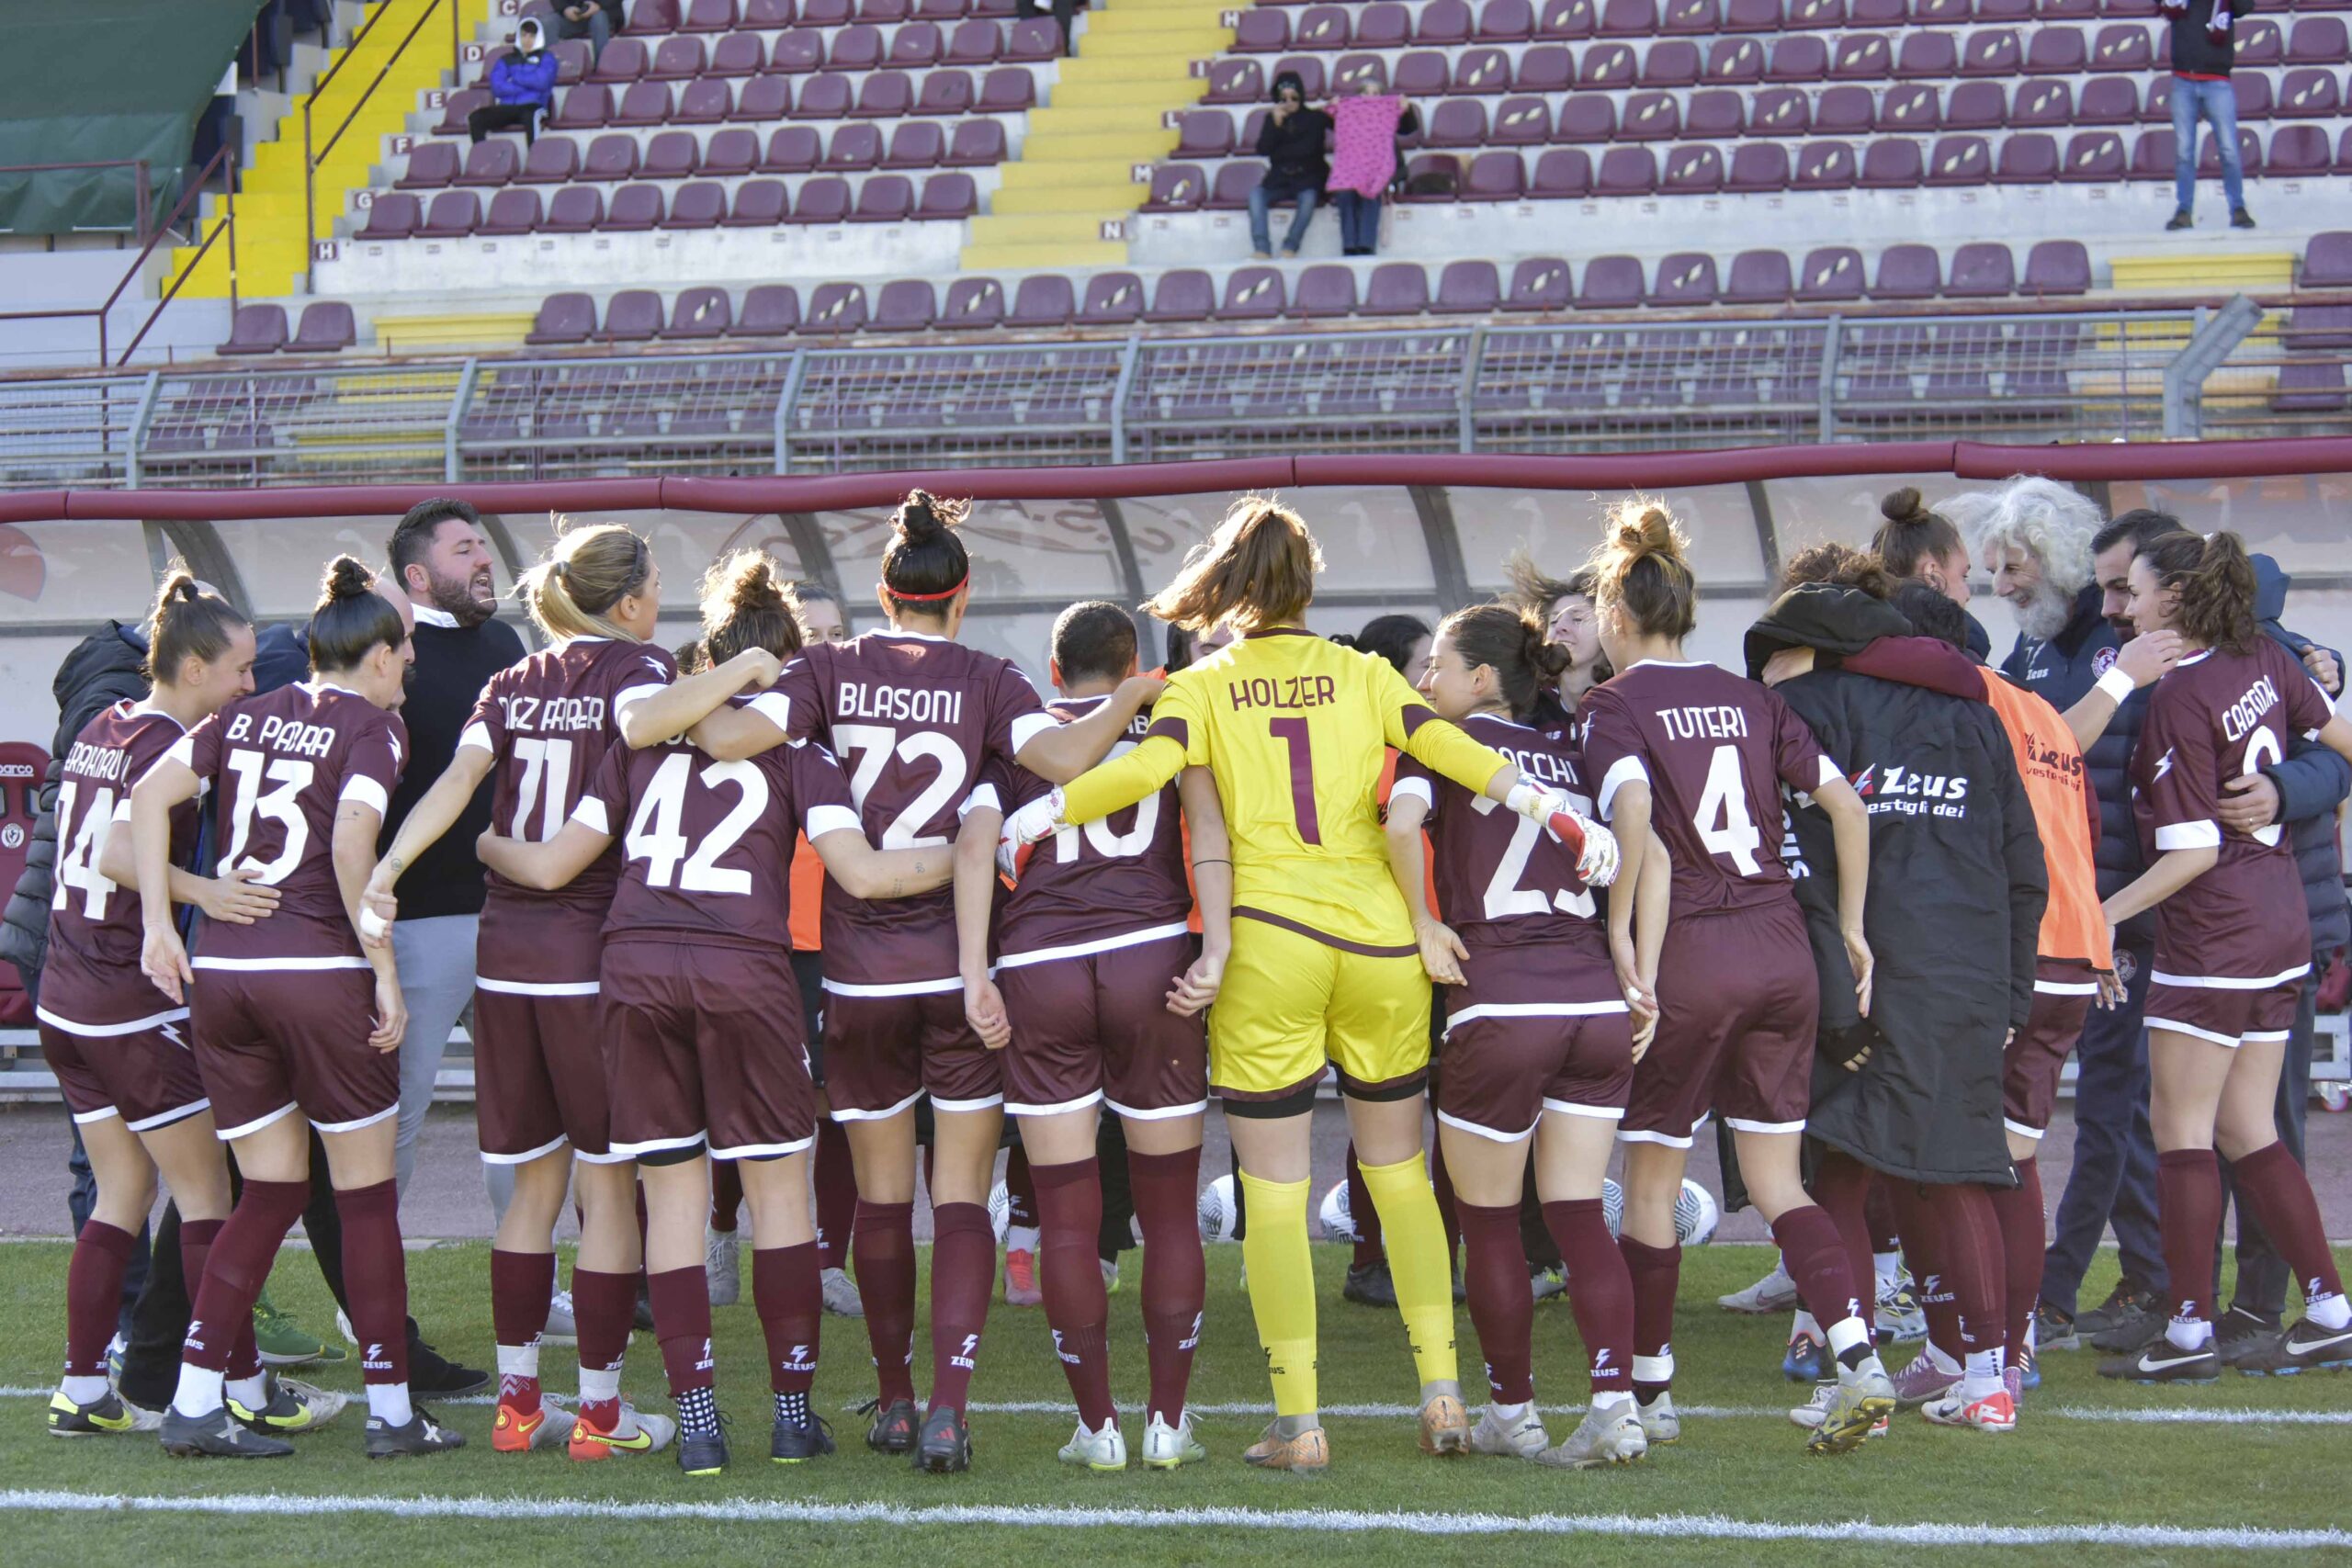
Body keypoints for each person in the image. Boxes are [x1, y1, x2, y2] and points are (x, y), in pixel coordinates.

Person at [1001, 495, 1619, 1472]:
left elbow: (1140, 773)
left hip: (1271, 946)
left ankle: (1300, 1425)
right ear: (1309, 581)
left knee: (1276, 1193)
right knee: (1402, 1180)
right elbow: (1448, 749)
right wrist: (1546, 806)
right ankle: (1444, 1398)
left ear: (1227, 584)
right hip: (1378, 944)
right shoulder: (1364, 672)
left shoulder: (1202, 685)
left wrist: (1038, 820)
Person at [682, 491, 1160, 1472]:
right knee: (960, 1197)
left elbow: (724, 739)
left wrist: (739, 672)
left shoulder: (827, 666)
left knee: (880, 1201)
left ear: (881, 592)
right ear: (963, 593)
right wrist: (1131, 697)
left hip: (858, 977)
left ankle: (896, 1397)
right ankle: (949, 1403)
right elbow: (1068, 760)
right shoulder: (991, 677)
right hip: (960, 968)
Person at [475, 551, 960, 1475]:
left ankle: (695, 1422)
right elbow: (862, 873)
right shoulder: (797, 751)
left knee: (675, 1199)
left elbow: (552, 864)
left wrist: (484, 843)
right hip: (744, 972)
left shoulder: (644, 744)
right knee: (781, 1192)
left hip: (635, 967)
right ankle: (789, 1416)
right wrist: (969, 855)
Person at [363, 521, 781, 1460]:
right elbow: (648, 731)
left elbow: (453, 784)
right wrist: (750, 665)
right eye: (656, 586)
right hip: (591, 960)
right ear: (630, 603)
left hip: (503, 955)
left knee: (527, 1195)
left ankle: (518, 1407)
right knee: (608, 1189)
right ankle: (598, 1413)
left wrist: (391, 864)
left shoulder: (509, 682)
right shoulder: (635, 673)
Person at [1574, 502, 1894, 1457]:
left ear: (1616, 615)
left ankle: (1651, 1391)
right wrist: (1848, 926)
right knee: (1778, 1181)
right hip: (1782, 947)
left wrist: (1626, 944)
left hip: (1690, 951)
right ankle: (1859, 1363)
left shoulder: (1611, 705)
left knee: (1650, 1181)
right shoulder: (1755, 699)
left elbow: (1630, 816)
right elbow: (1846, 807)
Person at [130, 558, 461, 1461]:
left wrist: (168, 923)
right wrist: (382, 967)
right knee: (363, 1203)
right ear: (384, 657)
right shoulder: (374, 728)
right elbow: (355, 839)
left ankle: (196, 1400)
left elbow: (142, 804)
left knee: (265, 1193)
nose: (410, 675)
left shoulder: (245, 711)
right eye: (408, 659)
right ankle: (393, 1413)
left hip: (226, 975)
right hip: (316, 974)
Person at [1747, 560, 2048, 1438]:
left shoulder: (1809, 711)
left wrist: (1838, 1004)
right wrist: (2011, 996)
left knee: (1837, 1166)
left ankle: (1861, 1380)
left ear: (1807, 649)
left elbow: (1803, 869)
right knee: (1957, 1164)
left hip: (1865, 979)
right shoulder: (1975, 716)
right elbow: (2024, 869)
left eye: (1773, 655)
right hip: (1970, 980)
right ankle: (1989, 1380)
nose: (1765, 675)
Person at [1819, 561, 2119, 1403]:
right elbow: (2078, 831)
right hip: (2066, 946)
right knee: (1961, 1156)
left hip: (2005, 954)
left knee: (1983, 1164)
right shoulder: (2041, 712)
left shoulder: (1951, 712)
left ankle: (1994, 1357)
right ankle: (1969, 1352)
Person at [1384, 604, 1663, 1468]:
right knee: (1581, 1214)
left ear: (1480, 679)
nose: (1423, 681)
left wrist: (1425, 922)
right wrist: (1626, 957)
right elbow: (1639, 840)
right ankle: (1616, 1405)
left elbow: (1398, 826)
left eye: (1438, 664)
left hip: (1499, 1000)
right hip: (1592, 1005)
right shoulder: (1575, 747)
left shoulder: (1440, 742)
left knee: (1491, 1222)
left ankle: (1514, 1410)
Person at [956, 600, 1230, 1472]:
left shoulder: (1022, 730)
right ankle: (1168, 1423)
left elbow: (974, 844)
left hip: (1042, 968)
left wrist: (976, 972)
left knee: (1067, 1216)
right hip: (1152, 959)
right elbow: (1210, 827)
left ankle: (1099, 1426)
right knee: (1167, 1205)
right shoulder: (1164, 721)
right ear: (1136, 662)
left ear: (1054, 664)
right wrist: (1214, 945)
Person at [39, 576, 296, 1439]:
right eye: (239, 670)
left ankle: (82, 1385)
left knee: (122, 1188)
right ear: (191, 666)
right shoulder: (164, 744)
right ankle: (239, 1388)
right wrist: (202, 892)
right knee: (207, 1194)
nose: (249, 688)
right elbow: (116, 847)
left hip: (66, 992)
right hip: (123, 995)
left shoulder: (109, 721)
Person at [2098, 529, 2352, 1381]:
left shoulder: (2179, 694)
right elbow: (2341, 739)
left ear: (2173, 597)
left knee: (2182, 1131)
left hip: (2215, 932)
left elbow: (2192, 851)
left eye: (2134, 591)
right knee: (2249, 1125)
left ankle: (2186, 1331)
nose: (2125, 608)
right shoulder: (2268, 660)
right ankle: (2328, 1307)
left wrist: (2102, 915)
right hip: (2282, 923)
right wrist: (2284, 789)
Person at [1974, 485, 2181, 1352]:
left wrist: (2317, 665)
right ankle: (2141, 1280)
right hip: (2071, 911)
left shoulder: (2122, 646)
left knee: (2113, 1110)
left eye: (2012, 563)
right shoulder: (2034, 646)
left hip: (2127, 906)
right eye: (1991, 567)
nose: (2002, 583)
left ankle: (2075, 1290)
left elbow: (2052, 747)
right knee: (2111, 1109)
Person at [702, 581, 866, 1318]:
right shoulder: (744, 717)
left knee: (837, 1103)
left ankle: (832, 1257)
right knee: (739, 1100)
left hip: (829, 934)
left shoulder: (851, 717)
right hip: (751, 935)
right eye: (813, 635)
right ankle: (720, 1230)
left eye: (836, 633)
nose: (825, 647)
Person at [377, 500, 527, 1204]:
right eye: (464, 548)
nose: (483, 557)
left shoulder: (506, 645)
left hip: (509, 912)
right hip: (416, 924)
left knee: (520, 1118)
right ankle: (367, 1301)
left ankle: (532, 1287)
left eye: (483, 544)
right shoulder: (386, 659)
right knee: (397, 1115)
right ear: (419, 574)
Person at [2160, 0, 2255, 231]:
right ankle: (2184, 210)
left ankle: (2237, 208)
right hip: (2184, 79)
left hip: (2217, 80)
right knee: (2184, 151)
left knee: (2229, 149)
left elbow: (2245, 6)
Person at [1869, 488, 1992, 661]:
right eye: (1963, 576)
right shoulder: (1961, 662)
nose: (1968, 594)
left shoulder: (1857, 645)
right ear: (1932, 576)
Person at [1325, 80, 1419, 258]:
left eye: (1375, 93)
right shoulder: (1349, 113)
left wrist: (1405, 109)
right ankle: (1349, 245)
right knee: (1345, 194)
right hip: (1352, 174)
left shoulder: (1387, 120)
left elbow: (1409, 128)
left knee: (1371, 193)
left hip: (1381, 175)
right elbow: (1329, 120)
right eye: (1366, 92)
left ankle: (1366, 245)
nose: (1370, 97)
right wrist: (1334, 106)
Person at [1249, 72, 1331, 259]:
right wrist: (1276, 125)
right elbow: (1263, 149)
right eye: (1283, 98)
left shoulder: (1315, 118)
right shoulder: (1272, 119)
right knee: (1256, 195)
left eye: (1294, 97)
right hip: (1279, 178)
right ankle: (1262, 248)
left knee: (1308, 199)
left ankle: (1291, 245)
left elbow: (1309, 149)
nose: (1289, 102)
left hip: (1309, 176)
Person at [469, 17, 559, 146]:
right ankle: (482, 159)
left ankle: (534, 161)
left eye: (532, 36)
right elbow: (497, 87)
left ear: (538, 38)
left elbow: (542, 82)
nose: (527, 40)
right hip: (507, 107)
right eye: (523, 35)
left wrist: (514, 78)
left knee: (531, 116)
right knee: (476, 118)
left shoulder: (546, 58)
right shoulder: (506, 60)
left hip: (534, 105)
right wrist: (527, 86)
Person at [553, 0, 624, 61]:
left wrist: (598, 6)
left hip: (605, 13)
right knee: (548, 23)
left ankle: (602, 65)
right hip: (575, 16)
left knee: (599, 18)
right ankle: (552, 66)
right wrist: (566, 9)